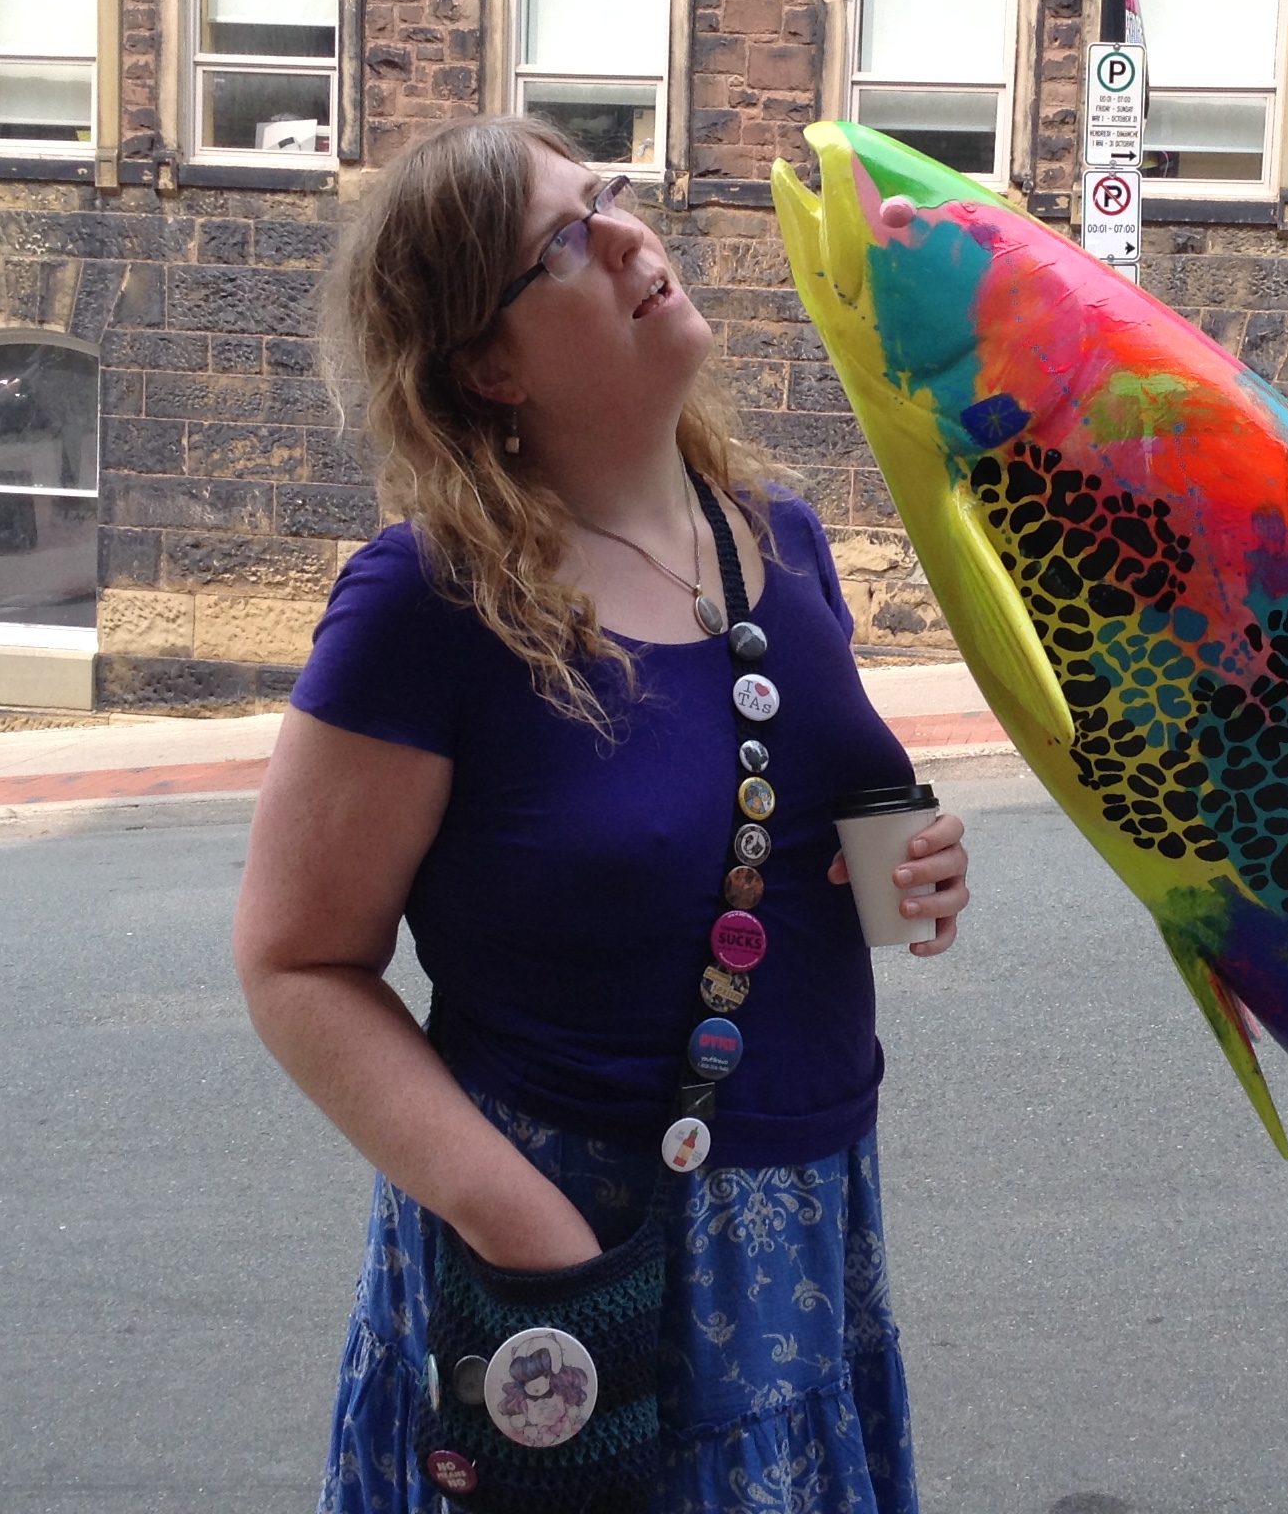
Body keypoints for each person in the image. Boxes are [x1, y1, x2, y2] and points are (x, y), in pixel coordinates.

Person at [232, 115, 970, 1514]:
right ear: (487, 363)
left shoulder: (777, 536)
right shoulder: (428, 600)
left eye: (612, 195)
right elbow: (295, 963)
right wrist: (525, 1229)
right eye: (565, 242)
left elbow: (792, 814)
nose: (631, 236)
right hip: (566, 1258)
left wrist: (914, 864)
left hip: (801, 1238)